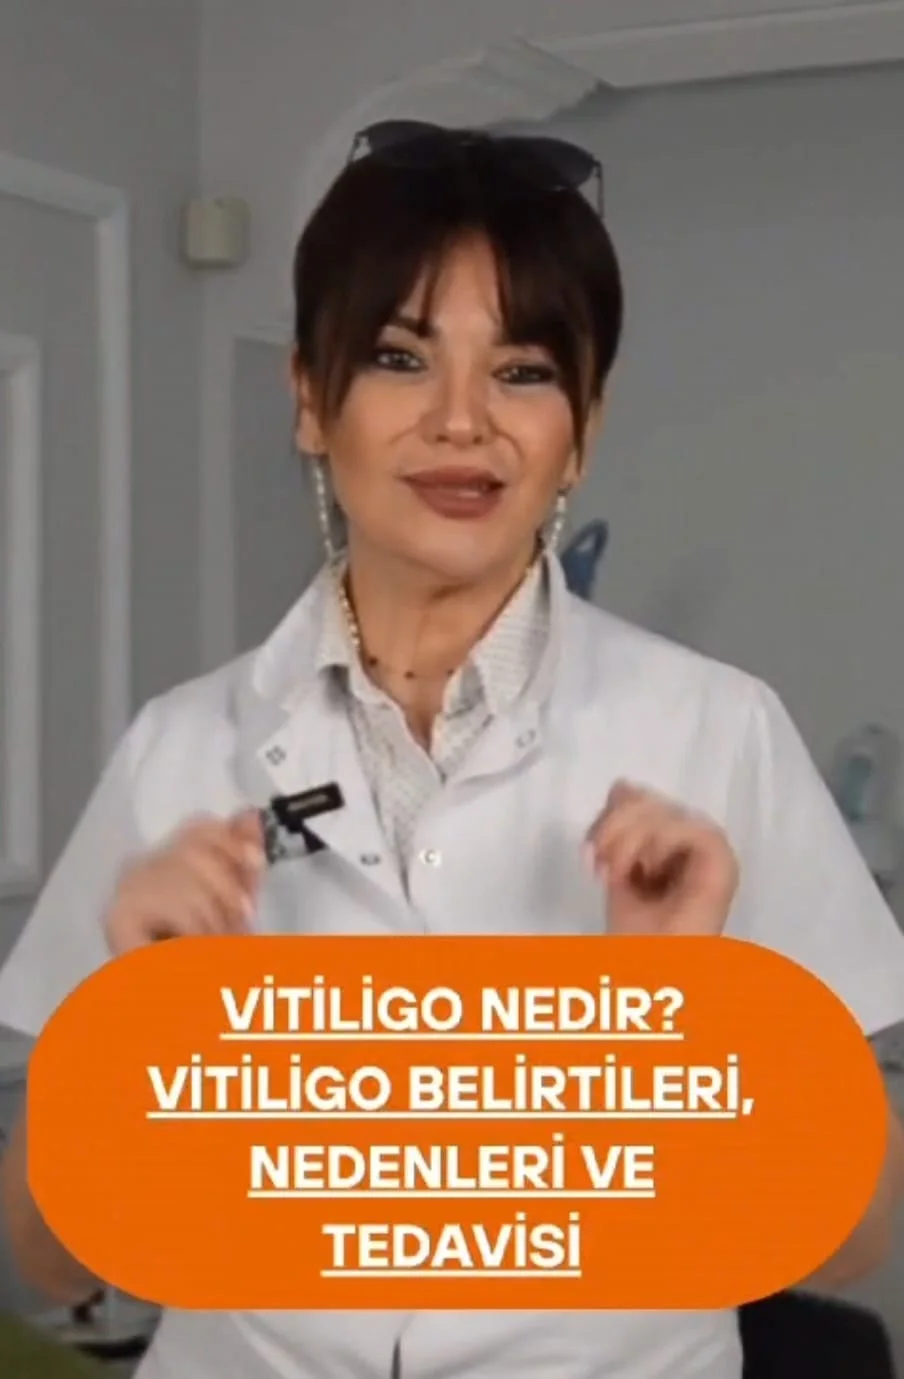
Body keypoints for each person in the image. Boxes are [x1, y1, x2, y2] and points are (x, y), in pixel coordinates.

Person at [0, 121, 902, 1379]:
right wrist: (140, 1036)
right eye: (399, 357)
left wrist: (686, 1012)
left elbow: (853, 1239)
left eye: (522, 370)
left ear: (583, 425)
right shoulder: (182, 748)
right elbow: (48, 1260)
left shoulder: (715, 732)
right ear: (309, 398)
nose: (462, 420)